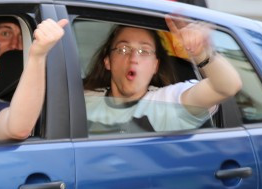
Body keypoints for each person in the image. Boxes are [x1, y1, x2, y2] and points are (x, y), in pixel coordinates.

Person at [82, 16, 242, 134]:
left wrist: (201, 53)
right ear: (108, 61)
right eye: (123, 49)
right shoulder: (83, 99)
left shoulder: (167, 103)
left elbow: (226, 87)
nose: (133, 58)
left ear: (155, 66)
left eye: (144, 51)